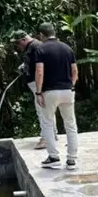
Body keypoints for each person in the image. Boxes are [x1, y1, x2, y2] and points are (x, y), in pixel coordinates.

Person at [33, 22, 78, 168]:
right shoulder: (67, 48)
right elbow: (75, 71)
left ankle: (53, 157)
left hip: (50, 92)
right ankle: (71, 159)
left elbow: (39, 72)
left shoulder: (41, 49)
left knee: (47, 123)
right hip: (67, 91)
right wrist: (71, 85)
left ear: (41, 35)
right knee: (70, 124)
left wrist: (38, 92)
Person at [11, 31, 52, 149]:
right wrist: (25, 67)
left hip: (38, 83)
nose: (17, 46)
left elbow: (41, 67)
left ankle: (46, 138)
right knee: (44, 109)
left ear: (24, 40)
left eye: (18, 43)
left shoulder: (36, 46)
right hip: (35, 83)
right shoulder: (32, 47)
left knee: (42, 110)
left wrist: (39, 90)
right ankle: (51, 134)